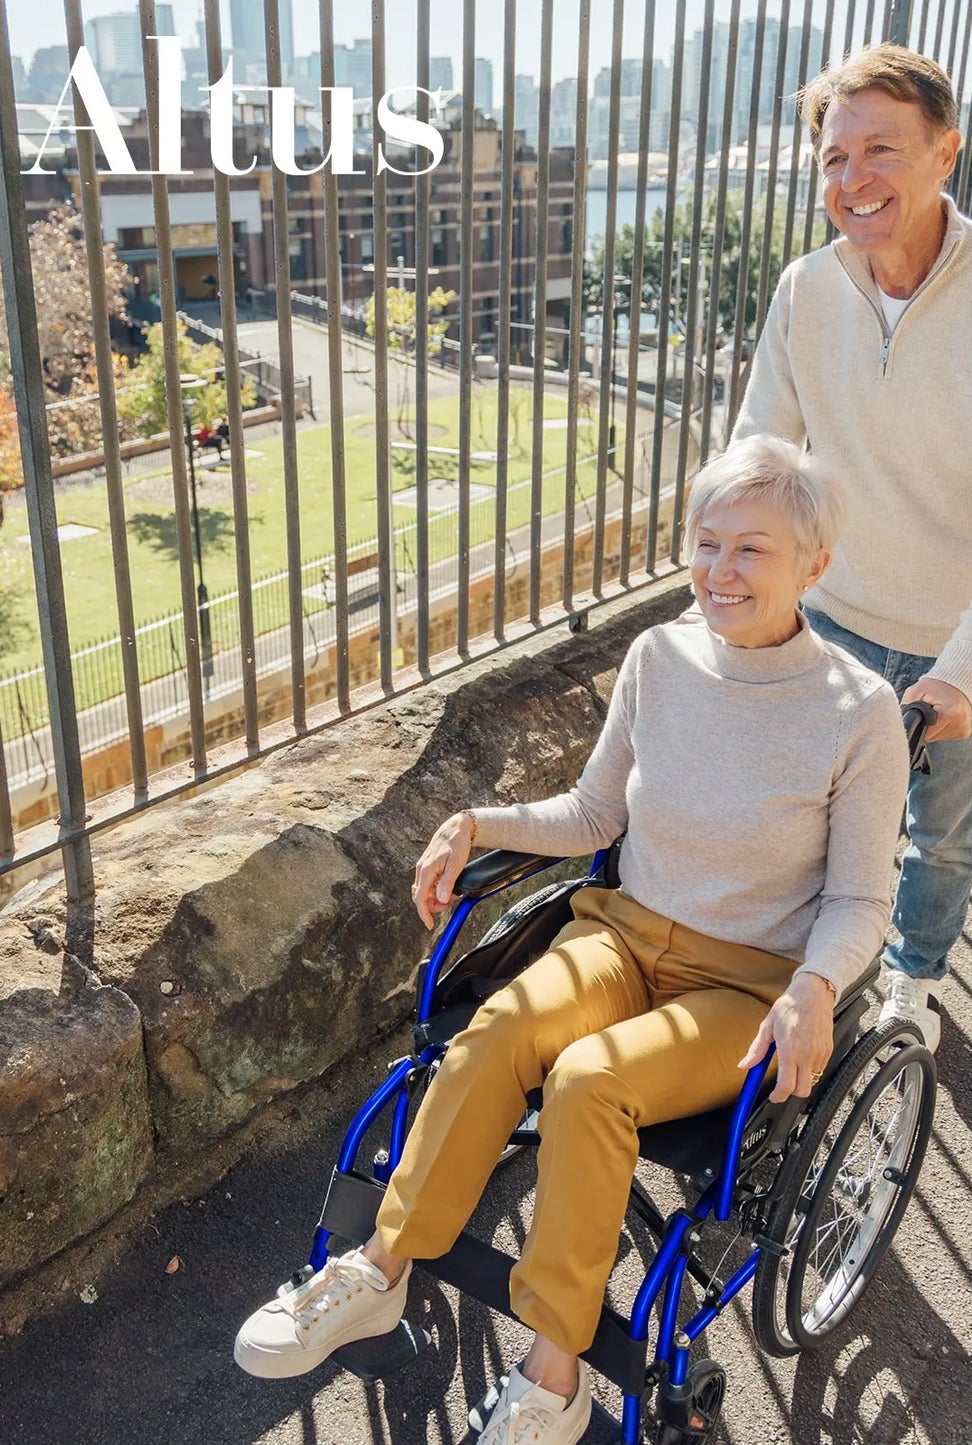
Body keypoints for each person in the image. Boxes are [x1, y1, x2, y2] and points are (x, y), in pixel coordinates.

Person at [233, 435, 910, 1445]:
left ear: (813, 563)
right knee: (502, 1024)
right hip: (623, 936)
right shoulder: (659, 657)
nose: (718, 571)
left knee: (593, 1081)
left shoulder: (856, 714)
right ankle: (377, 1271)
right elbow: (595, 812)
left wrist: (815, 985)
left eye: (750, 551)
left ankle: (554, 1381)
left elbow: (860, 895)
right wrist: (481, 821)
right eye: (705, 541)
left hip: (744, 980)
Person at [733, 44, 972, 1053]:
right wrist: (731, 583)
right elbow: (758, 454)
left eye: (879, 148)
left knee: (938, 833)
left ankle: (912, 979)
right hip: (832, 617)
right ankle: (802, 970)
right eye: (833, 159)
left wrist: (964, 673)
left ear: (944, 155)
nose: (852, 179)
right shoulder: (804, 291)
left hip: (956, 637)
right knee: (809, 821)